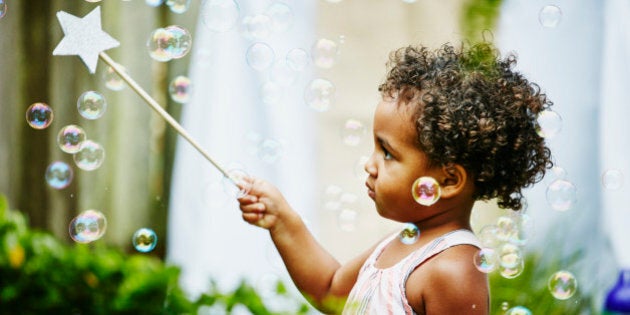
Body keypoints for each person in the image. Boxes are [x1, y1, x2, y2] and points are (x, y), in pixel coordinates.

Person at [237, 41, 553, 314]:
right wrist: (282, 220)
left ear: (447, 181)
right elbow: (330, 290)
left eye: (387, 153)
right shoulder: (404, 241)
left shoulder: (452, 270)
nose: (370, 165)